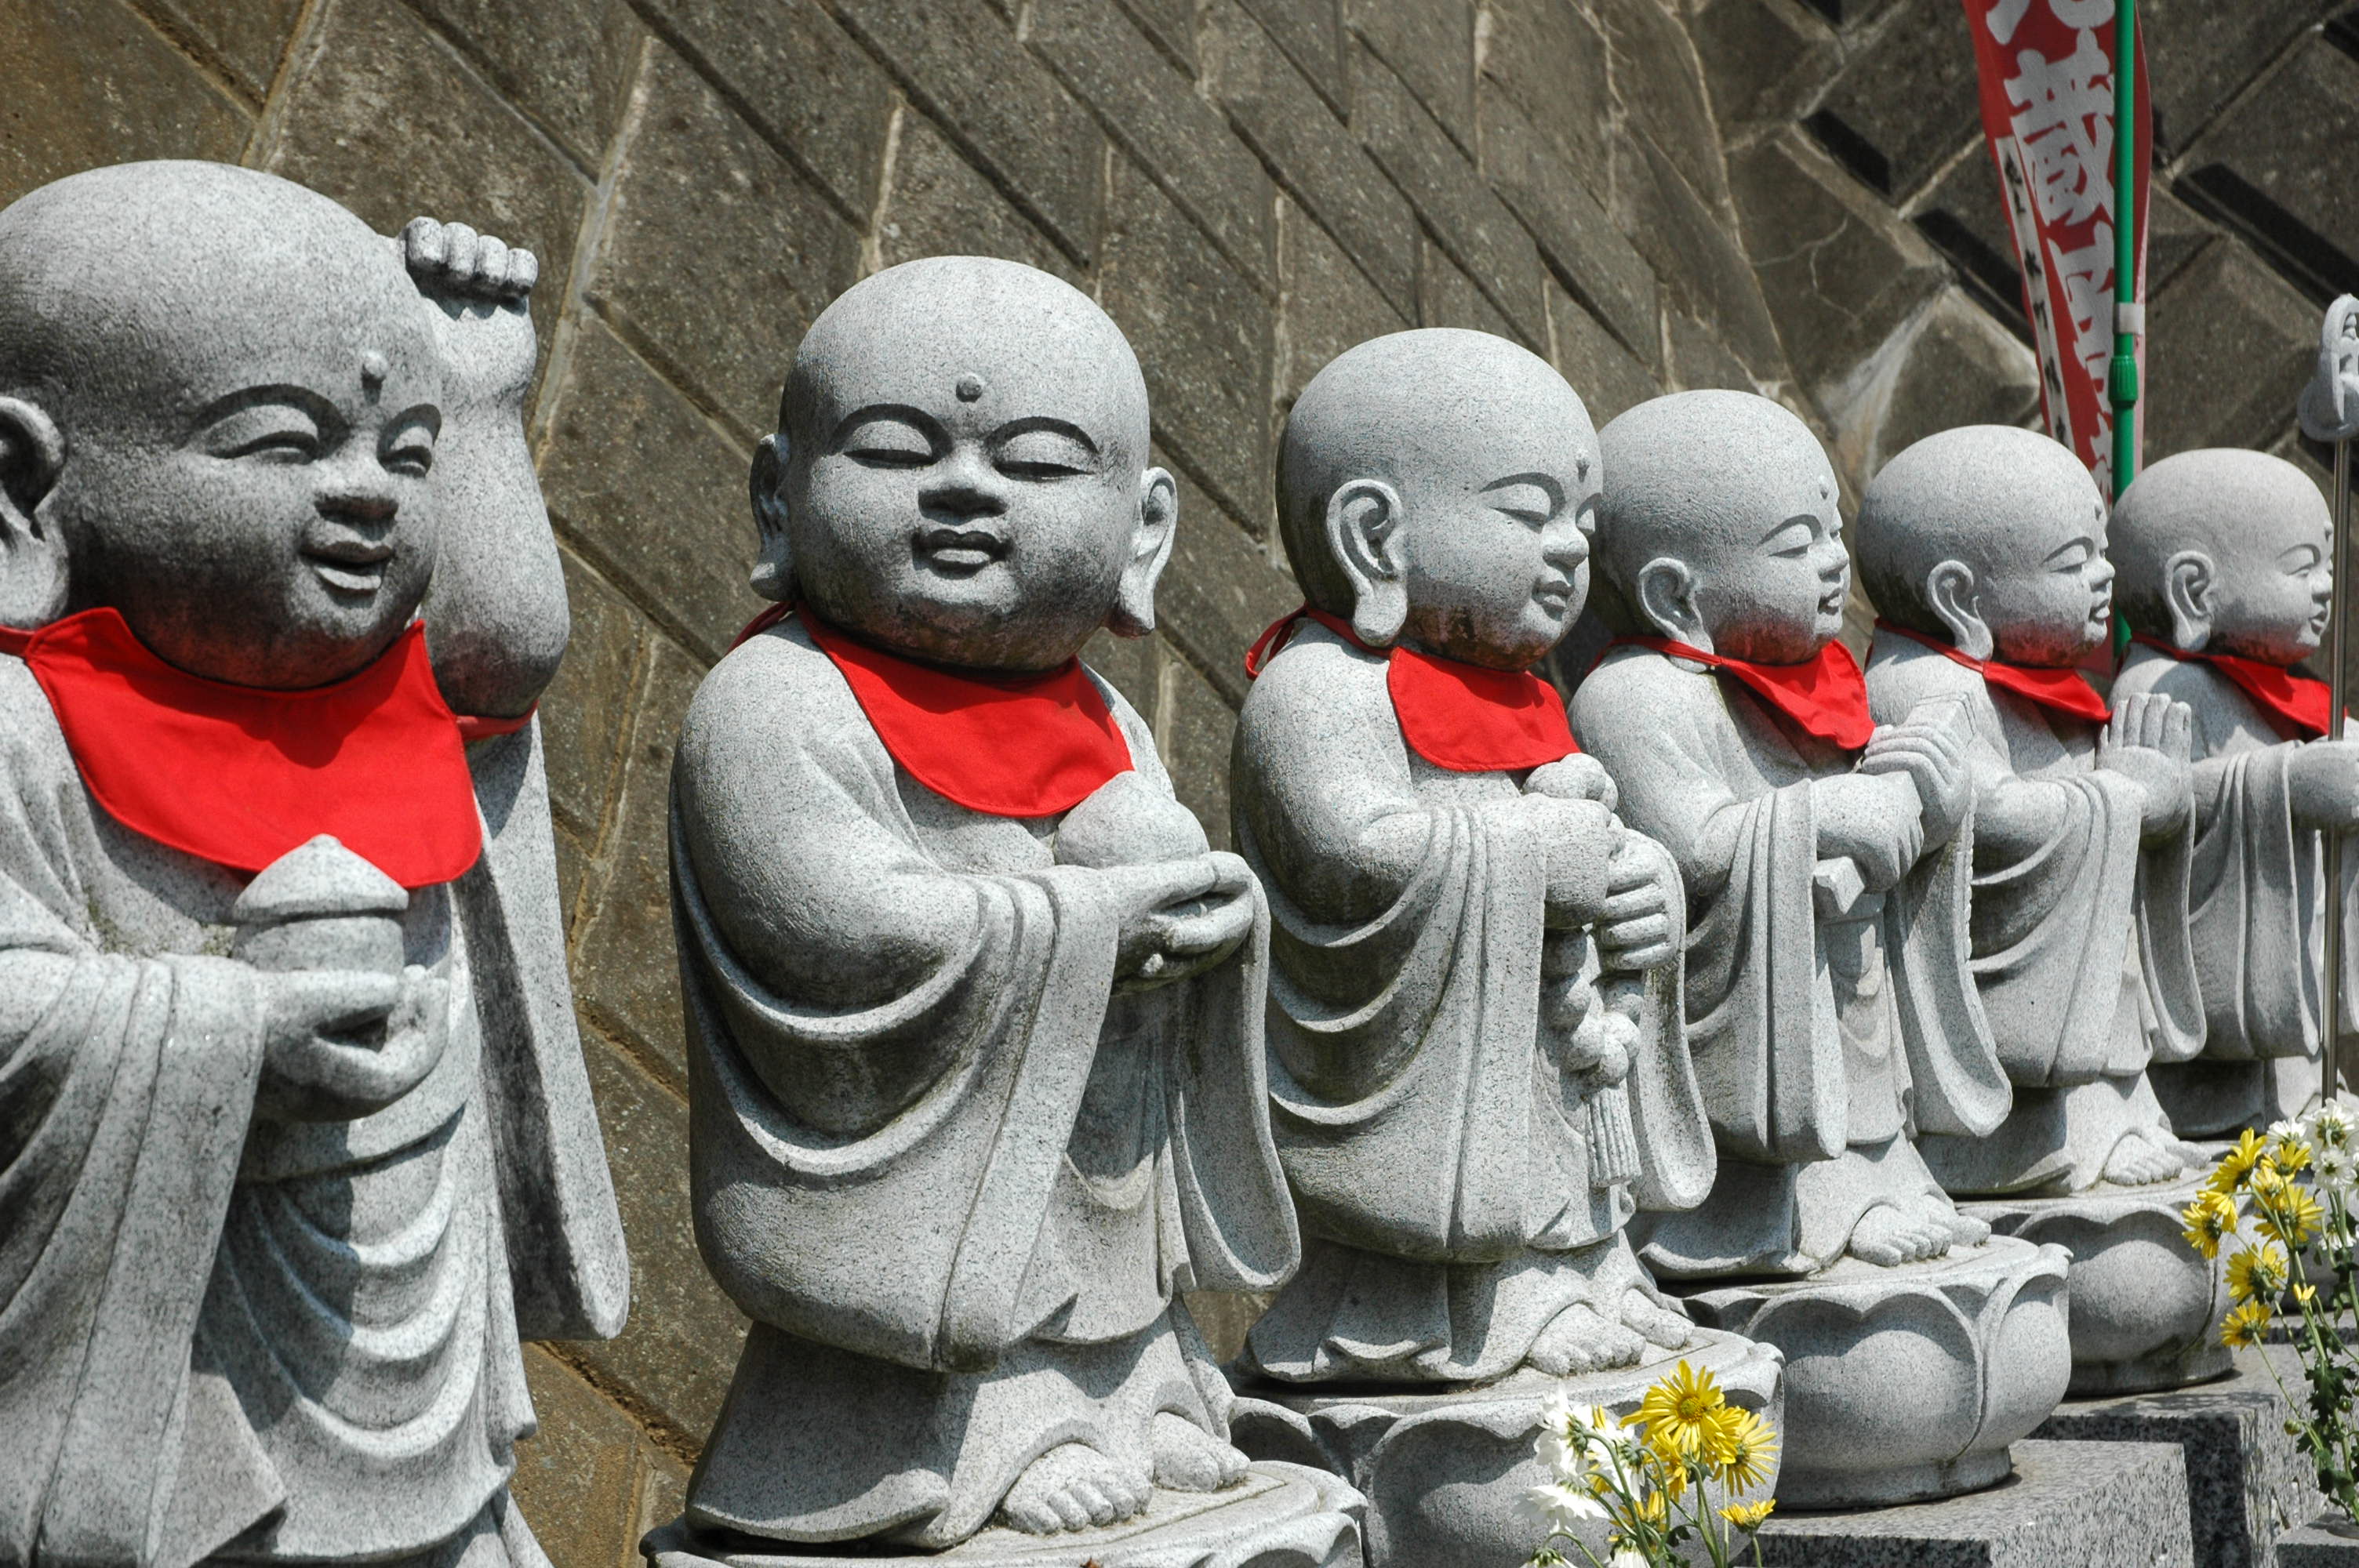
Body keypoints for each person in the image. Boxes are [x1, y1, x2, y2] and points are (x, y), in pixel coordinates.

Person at [0, 162, 625, 1568]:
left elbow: (507, 653)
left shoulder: (401, 727)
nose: (368, 497)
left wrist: (479, 410)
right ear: (26, 483)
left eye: (404, 456)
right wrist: (228, 1029)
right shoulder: (22, 733)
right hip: (189, 1415)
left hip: (432, 1388)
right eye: (284, 442)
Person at [666, 257, 1297, 1547]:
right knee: (978, 1255)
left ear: (1144, 531)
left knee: (1115, 1209)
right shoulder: (775, 702)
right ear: (780, 495)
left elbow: (1148, 872)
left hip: (1092, 1111)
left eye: (1038, 464)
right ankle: (982, 1442)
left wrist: (1205, 920)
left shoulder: (1099, 714)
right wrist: (1085, 924)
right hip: (908, 1154)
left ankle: (1134, 1400)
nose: (963, 487)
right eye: (897, 452)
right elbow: (834, 920)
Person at [1231, 328, 1711, 1385]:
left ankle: (1586, 1267)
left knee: (1569, 1122)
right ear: (1373, 536)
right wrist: (1532, 857)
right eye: (1530, 513)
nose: (1570, 549)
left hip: (1547, 1046)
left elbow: (1590, 845)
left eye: (1583, 522)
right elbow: (1351, 858)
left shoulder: (1527, 699)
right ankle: (1477, 1303)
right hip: (1416, 1083)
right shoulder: (1318, 689)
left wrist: (1641, 888)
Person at [1572, 391, 2006, 1279]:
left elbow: (1882, 822)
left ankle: (1877, 1171)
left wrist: (1936, 804)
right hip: (1742, 1005)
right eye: (1796, 543)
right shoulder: (1636, 695)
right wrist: (1822, 815)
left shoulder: (1819, 683)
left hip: (1846, 969)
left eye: (1832, 531)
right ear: (1674, 596)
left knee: (1863, 1029)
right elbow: (1693, 845)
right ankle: (1795, 1204)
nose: (1833, 561)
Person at [1858, 425, 2205, 1195]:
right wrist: (2122, 794)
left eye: (2101, 551)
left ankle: (2111, 1111)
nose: (2104, 575)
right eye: (2072, 560)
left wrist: (2147, 799)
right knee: (2094, 863)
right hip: (1981, 986)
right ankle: (2030, 1143)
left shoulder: (2039, 686)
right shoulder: (1921, 684)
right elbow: (1990, 817)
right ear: (1959, 598)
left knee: (2107, 910)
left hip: (2077, 971)